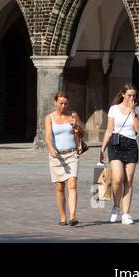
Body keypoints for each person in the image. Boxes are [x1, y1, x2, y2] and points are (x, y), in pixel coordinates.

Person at [101, 84, 139, 226]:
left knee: (129, 180)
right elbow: (109, 130)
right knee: (117, 179)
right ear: (123, 95)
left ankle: (126, 214)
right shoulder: (114, 109)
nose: (132, 98)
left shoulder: (138, 109)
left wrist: (133, 112)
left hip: (131, 145)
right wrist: (102, 149)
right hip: (115, 144)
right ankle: (116, 205)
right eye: (129, 95)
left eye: (134, 95)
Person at [44, 91, 83, 227]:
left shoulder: (73, 115)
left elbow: (82, 133)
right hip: (57, 155)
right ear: (55, 103)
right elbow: (48, 137)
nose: (63, 106)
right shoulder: (50, 118)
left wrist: (77, 127)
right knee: (59, 187)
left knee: (72, 184)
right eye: (61, 103)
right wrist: (51, 149)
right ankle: (62, 216)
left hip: (72, 154)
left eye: (66, 103)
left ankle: (73, 216)